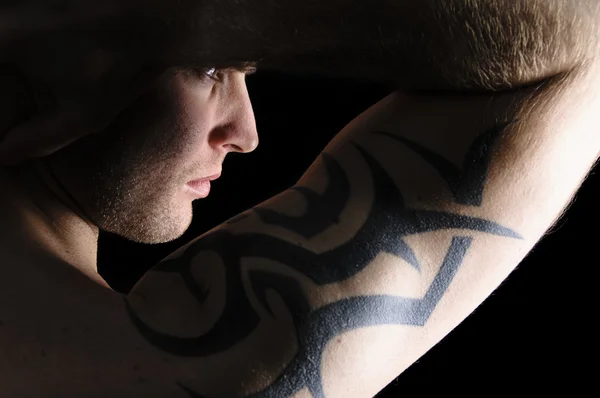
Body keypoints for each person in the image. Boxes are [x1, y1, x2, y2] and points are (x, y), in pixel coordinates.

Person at [0, 1, 598, 397]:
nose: (246, 133)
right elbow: (584, 35)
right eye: (210, 69)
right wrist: (171, 20)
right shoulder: (195, 363)